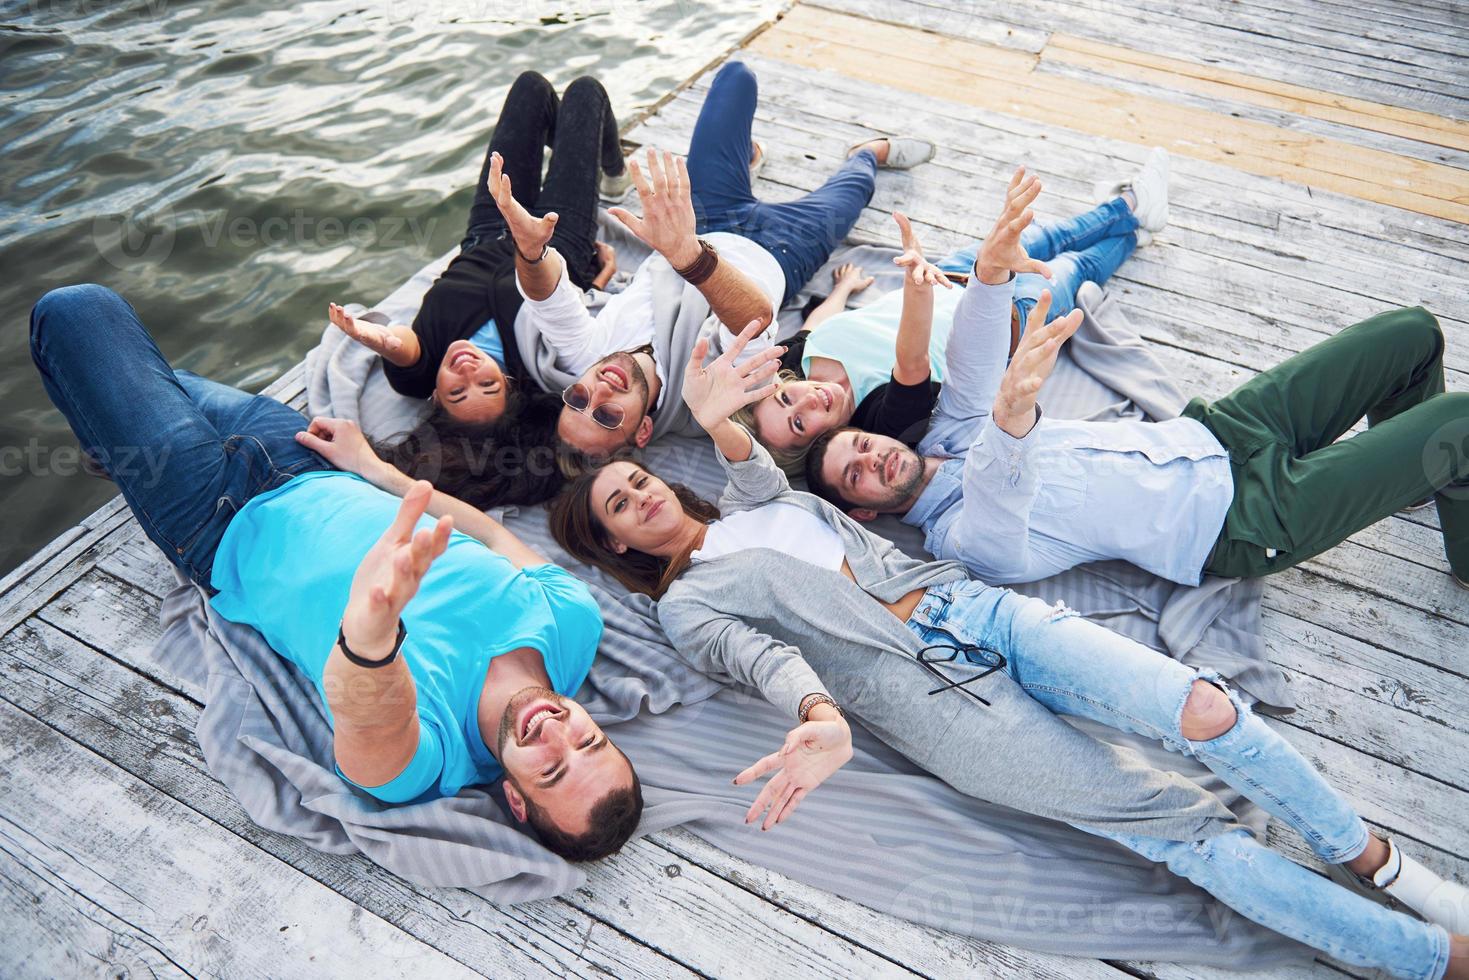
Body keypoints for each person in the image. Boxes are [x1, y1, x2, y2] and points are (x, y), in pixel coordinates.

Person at [548, 326, 1469, 979]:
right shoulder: (690, 608)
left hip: (978, 613)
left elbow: (745, 457)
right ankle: (1428, 957)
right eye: (621, 509)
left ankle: (1371, 857)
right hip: (941, 708)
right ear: (619, 547)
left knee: (1206, 709)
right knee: (1187, 832)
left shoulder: (755, 505)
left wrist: (714, 414)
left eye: (637, 480)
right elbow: (766, 662)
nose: (641, 498)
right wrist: (820, 719)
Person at [30, 283, 642, 862]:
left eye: (552, 770)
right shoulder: (574, 624)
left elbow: (368, 716)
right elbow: (493, 532)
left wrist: (372, 630)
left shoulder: (427, 764)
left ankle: (121, 442)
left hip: (217, 518)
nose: (556, 733)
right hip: (309, 458)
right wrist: (373, 467)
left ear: (515, 798)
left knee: (75, 314)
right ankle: (118, 440)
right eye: (589, 741)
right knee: (143, 380)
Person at [806, 167, 1469, 589]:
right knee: (1459, 421)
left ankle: (1416, 477)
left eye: (860, 444)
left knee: (1410, 334)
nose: (872, 457)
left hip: (1218, 432)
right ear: (863, 509)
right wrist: (1009, 425)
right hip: (1240, 519)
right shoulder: (958, 540)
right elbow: (1000, 511)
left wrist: (988, 271)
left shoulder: (946, 432)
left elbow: (977, 359)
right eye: (855, 473)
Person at [499, 59, 936, 459]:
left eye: (578, 400)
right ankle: (866, 150)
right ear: (644, 430)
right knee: (859, 182)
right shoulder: (704, 398)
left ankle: (744, 163)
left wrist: (531, 250)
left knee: (737, 77)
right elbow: (755, 321)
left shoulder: (587, 359)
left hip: (704, 215)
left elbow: (547, 297)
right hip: (782, 249)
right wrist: (684, 255)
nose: (598, 393)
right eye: (607, 416)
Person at [739, 150, 1170, 468]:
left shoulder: (795, 363)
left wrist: (843, 290)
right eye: (799, 423)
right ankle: (1134, 214)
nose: (807, 401)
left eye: (785, 397)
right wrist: (915, 287)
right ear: (812, 447)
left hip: (953, 275)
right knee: (1076, 265)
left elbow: (815, 327)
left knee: (1047, 236)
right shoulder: (878, 420)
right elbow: (912, 360)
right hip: (1005, 314)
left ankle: (1133, 212)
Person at [329, 71, 624, 426]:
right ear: (510, 385)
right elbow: (573, 322)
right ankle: (614, 170)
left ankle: (571, 141)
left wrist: (380, 339)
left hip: (487, 234)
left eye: (457, 392)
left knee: (531, 88)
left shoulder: (418, 376)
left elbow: (401, 349)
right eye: (487, 385)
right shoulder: (531, 369)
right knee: (585, 92)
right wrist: (600, 279)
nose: (468, 371)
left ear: (436, 395)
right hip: (556, 244)